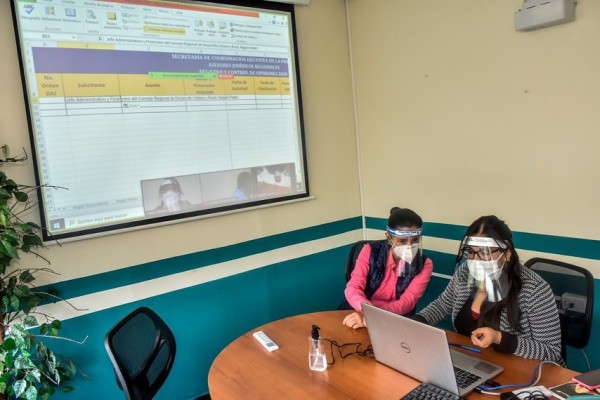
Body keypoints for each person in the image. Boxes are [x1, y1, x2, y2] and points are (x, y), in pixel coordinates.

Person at [413, 215, 564, 364]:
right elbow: (443, 305)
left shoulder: (535, 289)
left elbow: (551, 352)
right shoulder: (465, 272)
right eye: (470, 252)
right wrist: (416, 322)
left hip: (522, 370)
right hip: (472, 361)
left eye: (485, 252)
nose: (475, 260)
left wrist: (499, 338)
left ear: (506, 254)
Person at [342, 207, 433, 329]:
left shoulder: (425, 264)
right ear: (388, 237)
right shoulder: (370, 250)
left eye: (415, 240)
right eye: (402, 241)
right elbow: (353, 287)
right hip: (358, 313)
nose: (410, 246)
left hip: (394, 319)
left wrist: (373, 315)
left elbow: (407, 302)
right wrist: (366, 311)